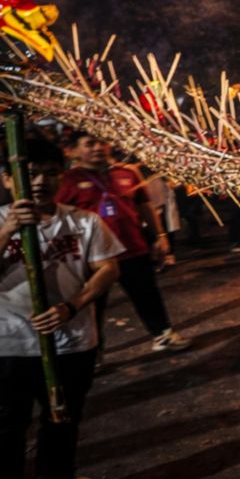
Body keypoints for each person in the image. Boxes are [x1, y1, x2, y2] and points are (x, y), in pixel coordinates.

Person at [0, 137, 134, 479]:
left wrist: (72, 306)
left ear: (61, 177)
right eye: (30, 174)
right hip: (5, 345)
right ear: (8, 179)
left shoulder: (84, 222)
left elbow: (107, 269)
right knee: (3, 429)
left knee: (62, 419)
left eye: (50, 174)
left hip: (70, 342)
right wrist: (8, 231)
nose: (39, 182)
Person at [54, 132, 189, 354]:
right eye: (90, 144)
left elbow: (146, 207)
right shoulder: (67, 181)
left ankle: (162, 335)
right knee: (93, 306)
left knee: (147, 295)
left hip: (132, 248)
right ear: (75, 150)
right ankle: (94, 352)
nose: (98, 147)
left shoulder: (127, 173)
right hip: (94, 258)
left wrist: (161, 236)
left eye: (102, 141)